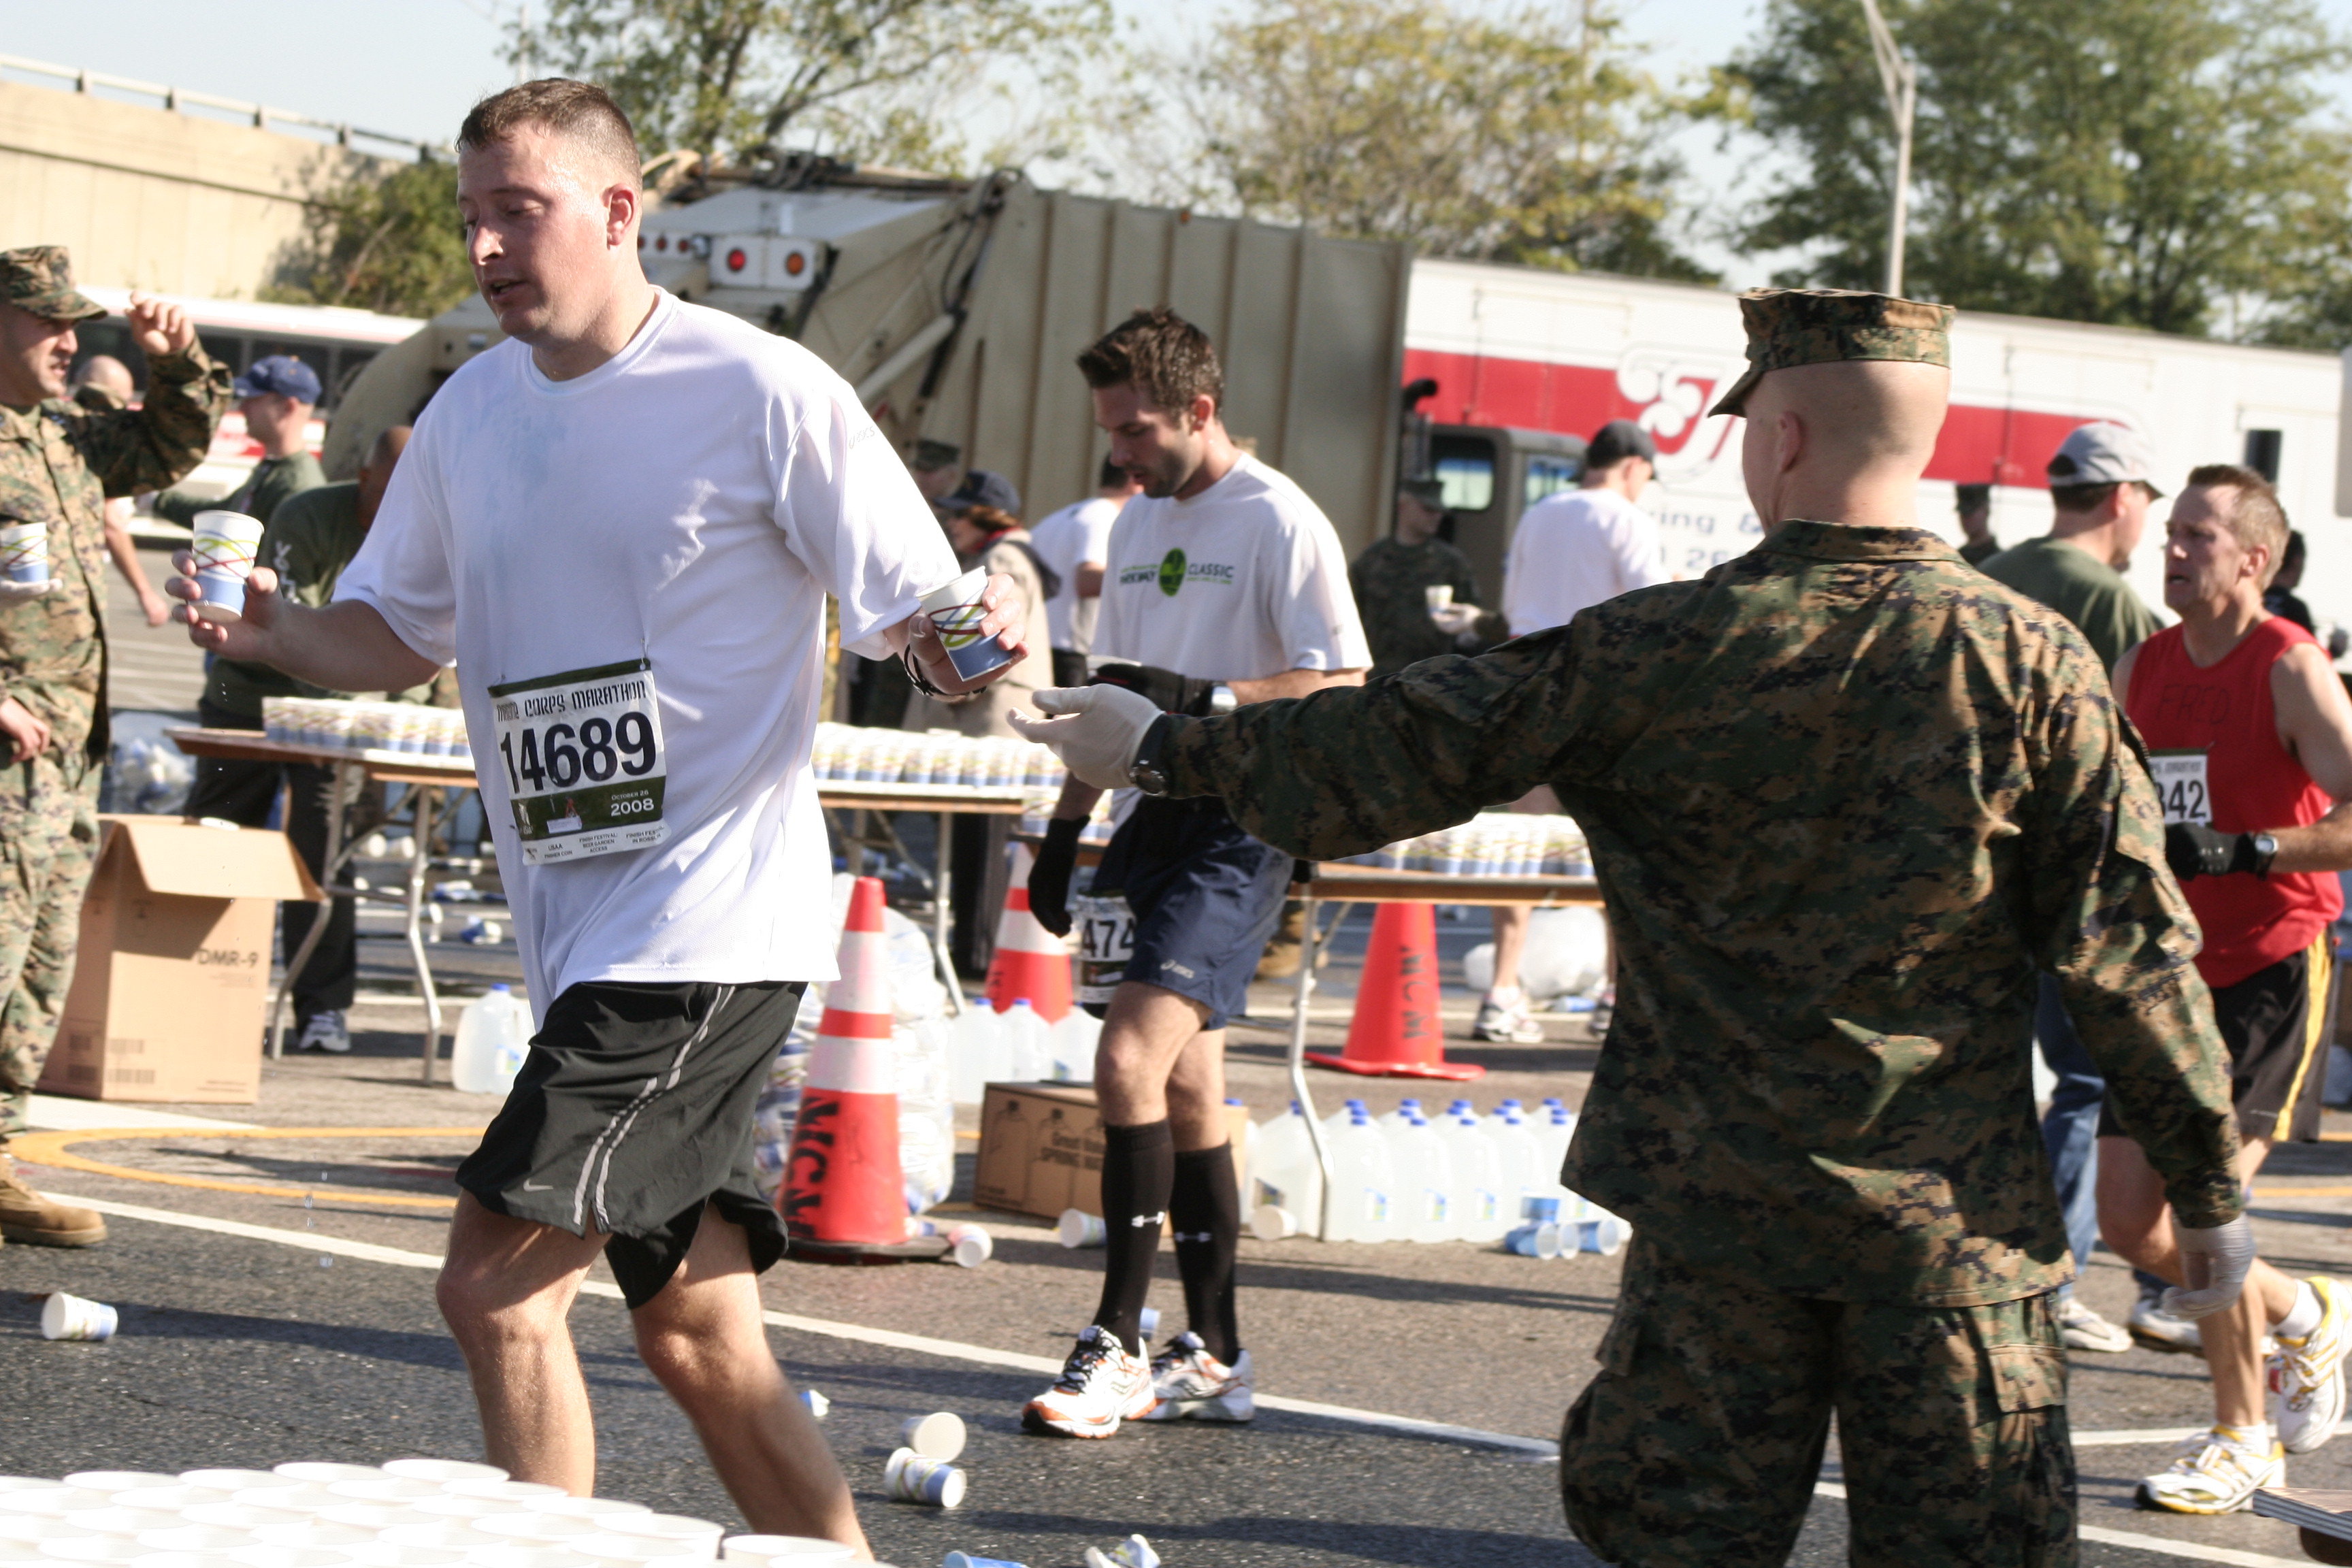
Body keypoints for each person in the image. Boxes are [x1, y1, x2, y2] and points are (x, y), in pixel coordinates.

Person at [1013, 288, 2255, 1565]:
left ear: (1775, 440)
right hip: (1950, 1250)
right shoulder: (2036, 664)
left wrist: (1168, 745)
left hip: (1715, 1242)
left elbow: (1397, 740)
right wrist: (2207, 1188)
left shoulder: (1662, 648)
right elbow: (2131, 955)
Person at [167, 80, 1024, 1544]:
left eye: (522, 210)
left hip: (702, 930)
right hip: (579, 936)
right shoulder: (469, 417)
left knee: (492, 1287)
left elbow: (928, 632)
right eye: (472, 218)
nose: (490, 246)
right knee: (701, 1339)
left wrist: (994, 618)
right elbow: (391, 637)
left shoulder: (762, 394)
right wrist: (272, 636)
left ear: (619, 211)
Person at [1017, 306, 1368, 1439]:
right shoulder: (1131, 526)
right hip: (1151, 819)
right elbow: (1111, 702)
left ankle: (1116, 1340)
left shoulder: (1280, 519)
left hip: (1241, 818)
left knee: (1125, 1056)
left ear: (1200, 410)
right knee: (1187, 1088)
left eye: (1136, 427)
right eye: (1111, 428)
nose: (1118, 451)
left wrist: (1211, 702)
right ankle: (1215, 1352)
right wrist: (1066, 832)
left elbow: (1347, 682)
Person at [2101, 466, 2352, 1514]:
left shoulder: (2288, 667)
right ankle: (2303, 1307)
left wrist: (2253, 847)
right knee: (2128, 1222)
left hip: (2268, 967)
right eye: (2171, 531)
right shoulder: (2142, 665)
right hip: (2165, 972)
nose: (2173, 548)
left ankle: (2242, 1436)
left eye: (2198, 535)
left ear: (2255, 559)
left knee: (2209, 1207)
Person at [0, 247, 230, 1247]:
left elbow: (172, 447)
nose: (69, 341)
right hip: (9, 750)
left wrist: (175, 358)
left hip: (68, 752)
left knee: (39, 970)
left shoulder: (60, 439)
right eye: (49, 323)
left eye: (75, 325)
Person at [1980, 421, 2183, 1356]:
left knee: (1989, 1075)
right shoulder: (2113, 606)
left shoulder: (1998, 571)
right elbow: (2153, 754)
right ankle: (2056, 1275)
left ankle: (1996, 1266)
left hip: (1979, 872)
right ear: (2123, 497)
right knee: (2094, 1080)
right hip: (2074, 876)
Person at [180, 426, 421, 1056]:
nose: (402, 503)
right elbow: (296, 626)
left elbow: (426, 635)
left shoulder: (424, 528)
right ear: (363, 477)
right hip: (251, 695)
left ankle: (322, 1009)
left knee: (325, 855)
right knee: (219, 840)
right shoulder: (309, 514)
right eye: (391, 489)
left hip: (341, 721)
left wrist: (405, 720)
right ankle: (191, 989)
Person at [1474, 418, 1666, 1044]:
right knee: (1618, 847)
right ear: (1635, 468)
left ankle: (1502, 991)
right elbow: (1654, 613)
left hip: (1527, 686)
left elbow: (1512, 604)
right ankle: (1616, 996)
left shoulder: (1539, 515)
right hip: (1603, 697)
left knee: (1521, 849)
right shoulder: (1627, 519)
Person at [902, 470, 1054, 738]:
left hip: (988, 714)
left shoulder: (1002, 558)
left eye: (961, 515)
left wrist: (949, 689)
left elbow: (989, 643)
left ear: (987, 516)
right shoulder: (998, 554)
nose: (952, 524)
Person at [152, 355, 326, 529]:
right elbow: (226, 516)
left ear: (288, 407)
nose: (243, 408)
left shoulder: (297, 486)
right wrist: (157, 500)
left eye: (254, 400)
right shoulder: (274, 467)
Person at [1350, 476, 1499, 679]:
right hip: (1378, 678)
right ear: (1404, 506)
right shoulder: (1371, 560)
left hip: (1429, 679)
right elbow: (1351, 618)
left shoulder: (1451, 564)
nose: (1436, 517)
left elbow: (1471, 626)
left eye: (1439, 511)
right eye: (1428, 510)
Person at [68, 356, 172, 626]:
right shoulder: (103, 440)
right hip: (70, 583)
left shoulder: (61, 428)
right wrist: (145, 592)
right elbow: (111, 523)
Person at [1030, 456, 1137, 687]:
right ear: (1133, 480)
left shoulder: (1057, 518)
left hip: (1039, 647)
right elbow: (1087, 580)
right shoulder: (1106, 516)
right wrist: (1148, 579)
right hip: (1072, 656)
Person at [2267, 529, 2316, 633]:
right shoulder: (2296, 609)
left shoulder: (2252, 602)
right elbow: (2307, 647)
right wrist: (2335, 649)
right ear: (2297, 561)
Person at [1955, 481, 1999, 566]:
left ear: (1986, 510)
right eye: (1963, 513)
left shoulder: (1998, 560)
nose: (1966, 518)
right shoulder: (1957, 558)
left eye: (1971, 512)